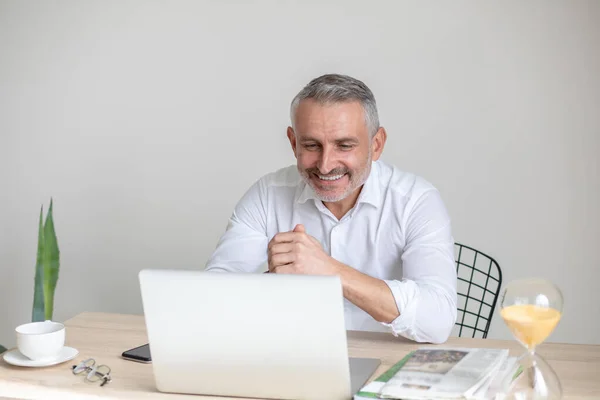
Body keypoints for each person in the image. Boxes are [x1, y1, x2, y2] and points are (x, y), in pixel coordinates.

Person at [205, 74, 457, 344]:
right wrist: (272, 282)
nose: (325, 165)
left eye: (344, 145)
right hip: (291, 360)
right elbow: (212, 299)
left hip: (388, 368)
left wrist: (328, 270)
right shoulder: (267, 195)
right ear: (293, 143)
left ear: (376, 145)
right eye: (312, 145)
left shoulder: (416, 201)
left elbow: (438, 320)